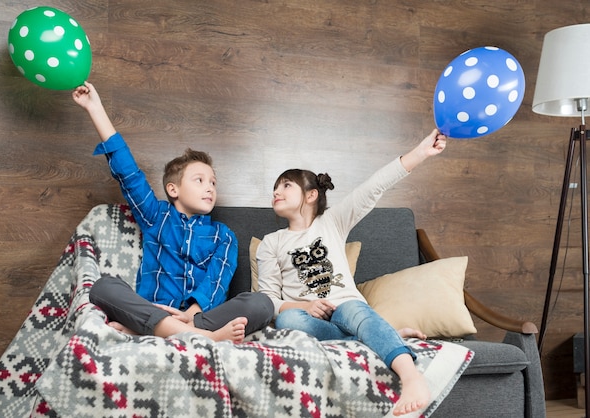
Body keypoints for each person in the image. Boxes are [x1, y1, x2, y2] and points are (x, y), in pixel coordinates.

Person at [256, 129, 446, 416]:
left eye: (285, 185)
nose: (276, 192)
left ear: (310, 195)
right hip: (307, 315)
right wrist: (305, 305)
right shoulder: (272, 242)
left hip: (345, 303)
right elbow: (268, 300)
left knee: (356, 312)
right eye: (275, 187)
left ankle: (411, 378)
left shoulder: (331, 222)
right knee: (287, 320)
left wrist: (420, 153)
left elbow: (373, 187)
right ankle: (385, 335)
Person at [72, 81, 273, 343]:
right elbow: (128, 174)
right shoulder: (156, 216)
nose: (209, 188)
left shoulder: (223, 235)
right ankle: (201, 337)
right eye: (199, 180)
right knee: (102, 287)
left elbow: (218, 281)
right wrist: (94, 108)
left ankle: (164, 330)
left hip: (203, 316)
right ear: (173, 189)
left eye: (213, 182)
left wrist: (192, 315)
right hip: (155, 310)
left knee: (261, 304)